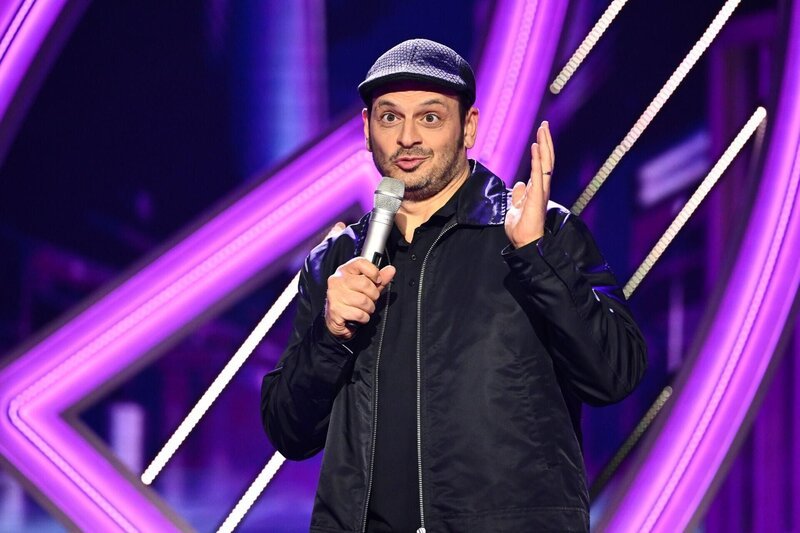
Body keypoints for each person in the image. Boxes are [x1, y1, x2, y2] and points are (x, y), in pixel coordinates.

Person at [261, 38, 647, 533]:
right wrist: (330, 334)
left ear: (468, 127)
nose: (407, 138)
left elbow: (615, 374)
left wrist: (536, 256)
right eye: (389, 117)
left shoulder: (538, 232)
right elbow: (289, 432)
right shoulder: (337, 261)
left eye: (430, 117)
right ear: (367, 129)